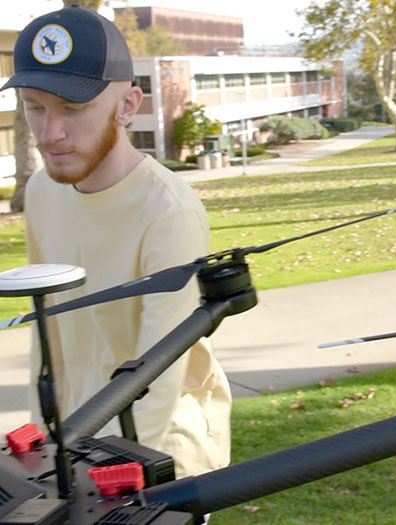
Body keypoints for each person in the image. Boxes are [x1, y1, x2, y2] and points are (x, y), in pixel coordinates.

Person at [0, 5, 232, 478]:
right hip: (72, 444)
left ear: (128, 105)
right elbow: (49, 334)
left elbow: (157, 375)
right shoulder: (45, 191)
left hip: (160, 454)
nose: (50, 133)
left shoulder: (170, 212)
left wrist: (102, 477)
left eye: (74, 108)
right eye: (35, 106)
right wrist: (39, 446)